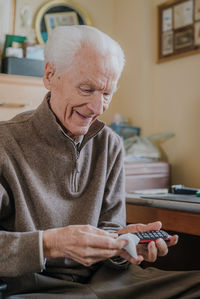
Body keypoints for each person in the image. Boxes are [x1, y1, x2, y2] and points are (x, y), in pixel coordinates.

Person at [0, 25, 200, 299]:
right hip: (37, 287)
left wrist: (125, 243)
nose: (98, 108)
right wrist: (50, 244)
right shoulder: (4, 143)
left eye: (107, 94)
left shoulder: (111, 144)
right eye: (87, 89)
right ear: (50, 75)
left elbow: (110, 232)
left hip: (109, 281)